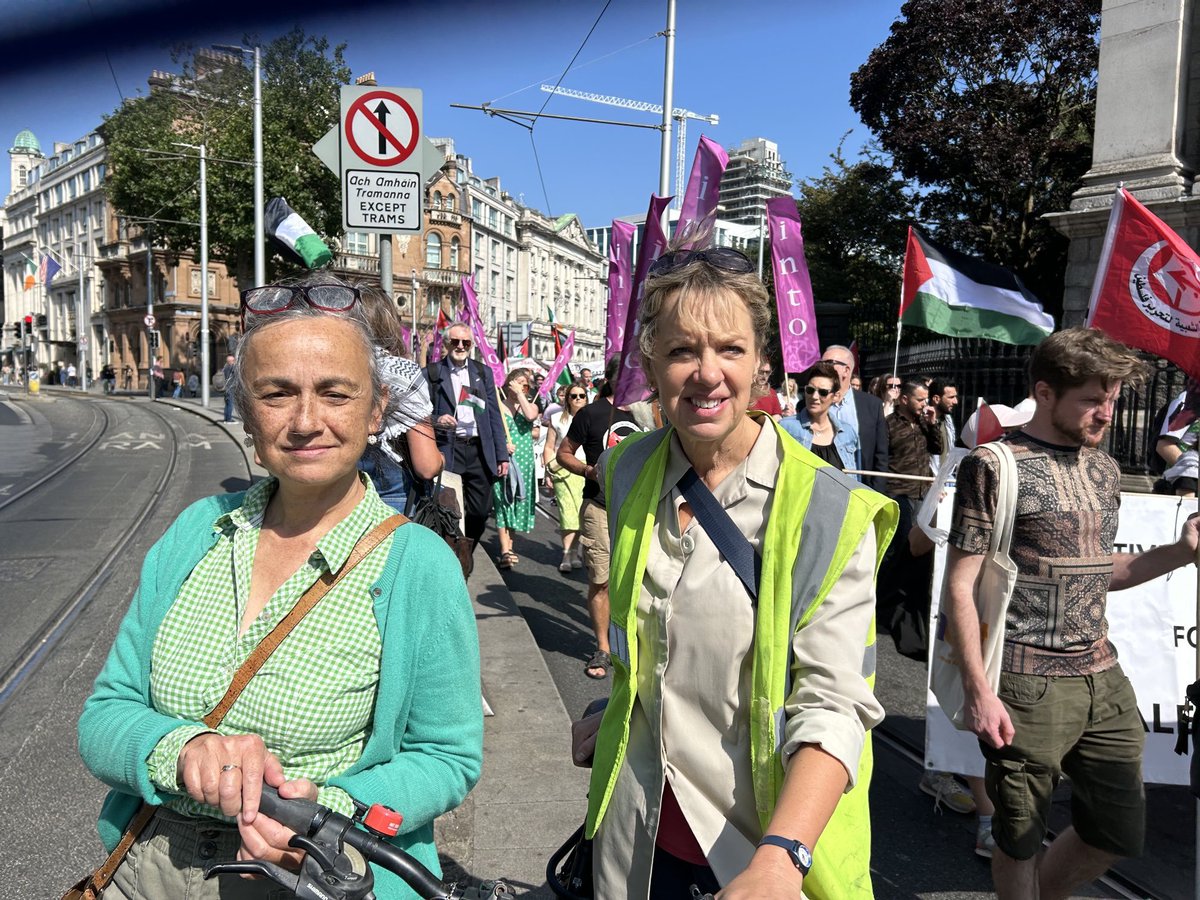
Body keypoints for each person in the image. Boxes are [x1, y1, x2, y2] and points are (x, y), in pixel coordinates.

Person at [77, 274, 483, 900]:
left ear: (376, 409)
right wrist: (183, 752)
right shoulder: (197, 533)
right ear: (244, 408)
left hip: (317, 879)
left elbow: (446, 757)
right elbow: (106, 715)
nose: (305, 421)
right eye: (276, 393)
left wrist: (325, 818)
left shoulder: (418, 565)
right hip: (148, 870)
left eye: (335, 393)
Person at [586, 246, 897, 900]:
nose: (707, 374)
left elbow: (833, 702)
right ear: (650, 364)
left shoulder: (830, 509)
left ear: (762, 361)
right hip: (635, 842)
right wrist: (619, 706)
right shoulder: (626, 470)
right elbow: (650, 638)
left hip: (757, 856)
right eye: (680, 352)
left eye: (730, 349)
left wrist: (781, 856)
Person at [944, 328, 1200, 900]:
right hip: (1025, 681)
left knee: (1116, 830)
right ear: (1045, 392)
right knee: (1018, 837)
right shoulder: (993, 466)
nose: (1106, 413)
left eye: (1112, 399)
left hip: (1101, 677)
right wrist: (980, 690)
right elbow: (960, 586)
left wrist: (1182, 552)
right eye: (1092, 399)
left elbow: (1099, 571)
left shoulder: (1105, 469)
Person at [556, 353, 644, 680]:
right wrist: (589, 471)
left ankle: (635, 644)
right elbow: (563, 453)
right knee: (601, 580)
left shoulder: (650, 414)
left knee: (640, 581)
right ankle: (604, 648)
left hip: (641, 510)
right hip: (600, 508)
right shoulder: (591, 414)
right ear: (617, 377)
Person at [356, 283, 443, 515]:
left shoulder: (328, 369)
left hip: (334, 499)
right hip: (393, 499)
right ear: (389, 323)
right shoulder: (401, 372)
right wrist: (441, 460)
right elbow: (427, 466)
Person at [425, 322, 510, 549]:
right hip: (447, 448)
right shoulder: (432, 373)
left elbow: (493, 416)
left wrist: (502, 455)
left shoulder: (482, 372)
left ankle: (467, 549)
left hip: (478, 450)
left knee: (480, 511)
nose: (460, 346)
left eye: (466, 342)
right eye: (455, 341)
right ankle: (452, 554)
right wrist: (437, 420)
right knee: (447, 508)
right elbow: (419, 414)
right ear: (446, 344)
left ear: (472, 345)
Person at [492, 367, 540, 568]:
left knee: (517, 501)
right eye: (518, 382)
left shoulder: (531, 406)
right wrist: (503, 446)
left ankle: (510, 545)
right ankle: (505, 550)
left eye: (525, 384)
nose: (522, 386)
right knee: (504, 501)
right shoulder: (498, 406)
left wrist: (521, 394)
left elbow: (530, 416)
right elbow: (492, 432)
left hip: (525, 462)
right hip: (504, 460)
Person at [822, 345, 889, 489]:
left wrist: (876, 491)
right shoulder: (811, 403)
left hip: (861, 489)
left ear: (846, 370)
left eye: (829, 363)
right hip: (823, 487)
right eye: (821, 363)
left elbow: (881, 454)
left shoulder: (872, 405)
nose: (822, 367)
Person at [780, 360, 859, 475]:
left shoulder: (847, 433)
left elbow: (854, 477)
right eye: (810, 390)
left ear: (836, 396)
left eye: (823, 392)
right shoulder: (786, 428)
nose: (814, 396)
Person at [543, 380, 589, 572]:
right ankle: (566, 553)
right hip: (564, 471)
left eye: (582, 396)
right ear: (567, 399)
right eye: (574, 396)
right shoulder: (556, 419)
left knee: (580, 514)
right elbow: (549, 447)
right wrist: (548, 471)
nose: (578, 399)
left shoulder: (591, 418)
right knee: (567, 513)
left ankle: (575, 550)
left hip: (586, 471)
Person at [928, 379, 960, 469]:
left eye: (955, 397)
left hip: (944, 478)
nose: (955, 401)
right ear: (936, 399)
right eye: (951, 397)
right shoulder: (923, 421)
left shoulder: (947, 421)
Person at [221, 354, 237, 422]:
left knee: (227, 404)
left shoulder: (224, 368)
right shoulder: (232, 367)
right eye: (233, 360)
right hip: (230, 388)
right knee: (230, 404)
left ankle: (226, 418)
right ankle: (229, 419)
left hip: (225, 388)